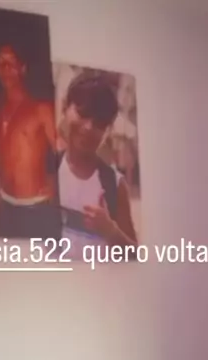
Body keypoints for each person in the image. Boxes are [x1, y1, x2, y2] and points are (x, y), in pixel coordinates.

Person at [58, 70, 137, 258]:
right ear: (65, 107)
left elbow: (135, 256)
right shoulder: (47, 169)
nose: (88, 127)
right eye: (83, 113)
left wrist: (110, 230)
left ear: (107, 130)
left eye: (99, 123)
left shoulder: (114, 185)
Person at [0, 44, 60, 239]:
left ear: (22, 68)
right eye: (0, 63)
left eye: (10, 63)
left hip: (35, 206)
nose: (5, 68)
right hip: (5, 205)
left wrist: (55, 183)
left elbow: (63, 153)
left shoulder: (41, 109)